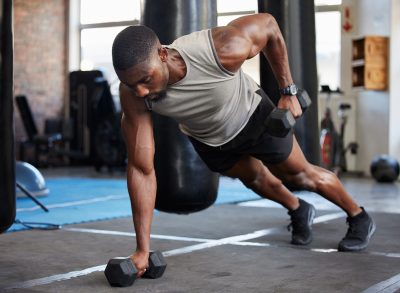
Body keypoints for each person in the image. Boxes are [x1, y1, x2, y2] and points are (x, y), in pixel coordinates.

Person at [111, 13, 375, 277]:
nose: (141, 91)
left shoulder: (219, 49)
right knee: (255, 179)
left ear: (163, 55)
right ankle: (298, 208)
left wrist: (288, 91)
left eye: (145, 79)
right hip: (210, 139)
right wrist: (142, 249)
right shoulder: (134, 96)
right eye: (130, 84)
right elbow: (142, 168)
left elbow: (269, 25)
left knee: (299, 174)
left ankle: (358, 216)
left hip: (253, 117)